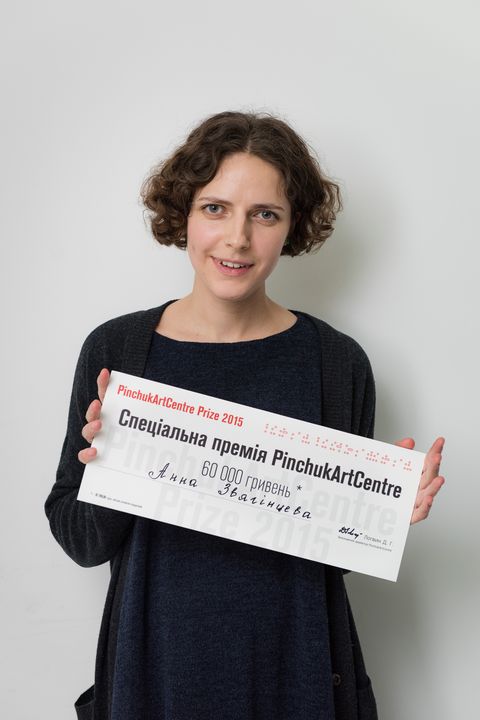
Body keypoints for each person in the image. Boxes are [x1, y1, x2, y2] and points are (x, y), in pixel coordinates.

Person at [45, 110, 445, 720]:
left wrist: (381, 514)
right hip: (154, 676)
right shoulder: (117, 350)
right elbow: (82, 542)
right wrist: (113, 468)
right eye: (215, 208)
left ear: (292, 226)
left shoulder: (336, 362)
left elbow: (332, 558)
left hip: (299, 673)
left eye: (265, 214)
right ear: (183, 213)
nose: (237, 238)